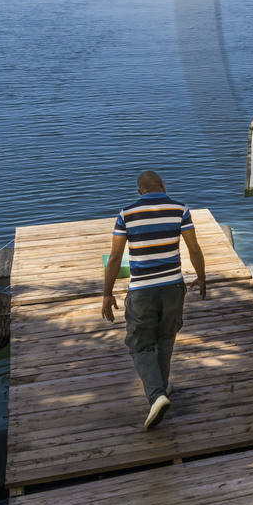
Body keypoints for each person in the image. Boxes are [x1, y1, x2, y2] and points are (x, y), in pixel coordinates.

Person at [102, 170, 207, 429]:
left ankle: (156, 395)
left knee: (139, 344)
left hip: (142, 290)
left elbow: (115, 258)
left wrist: (106, 293)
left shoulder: (126, 214)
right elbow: (193, 248)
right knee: (165, 337)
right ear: (163, 185)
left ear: (140, 190)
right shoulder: (180, 209)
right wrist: (202, 278)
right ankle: (162, 386)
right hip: (173, 287)